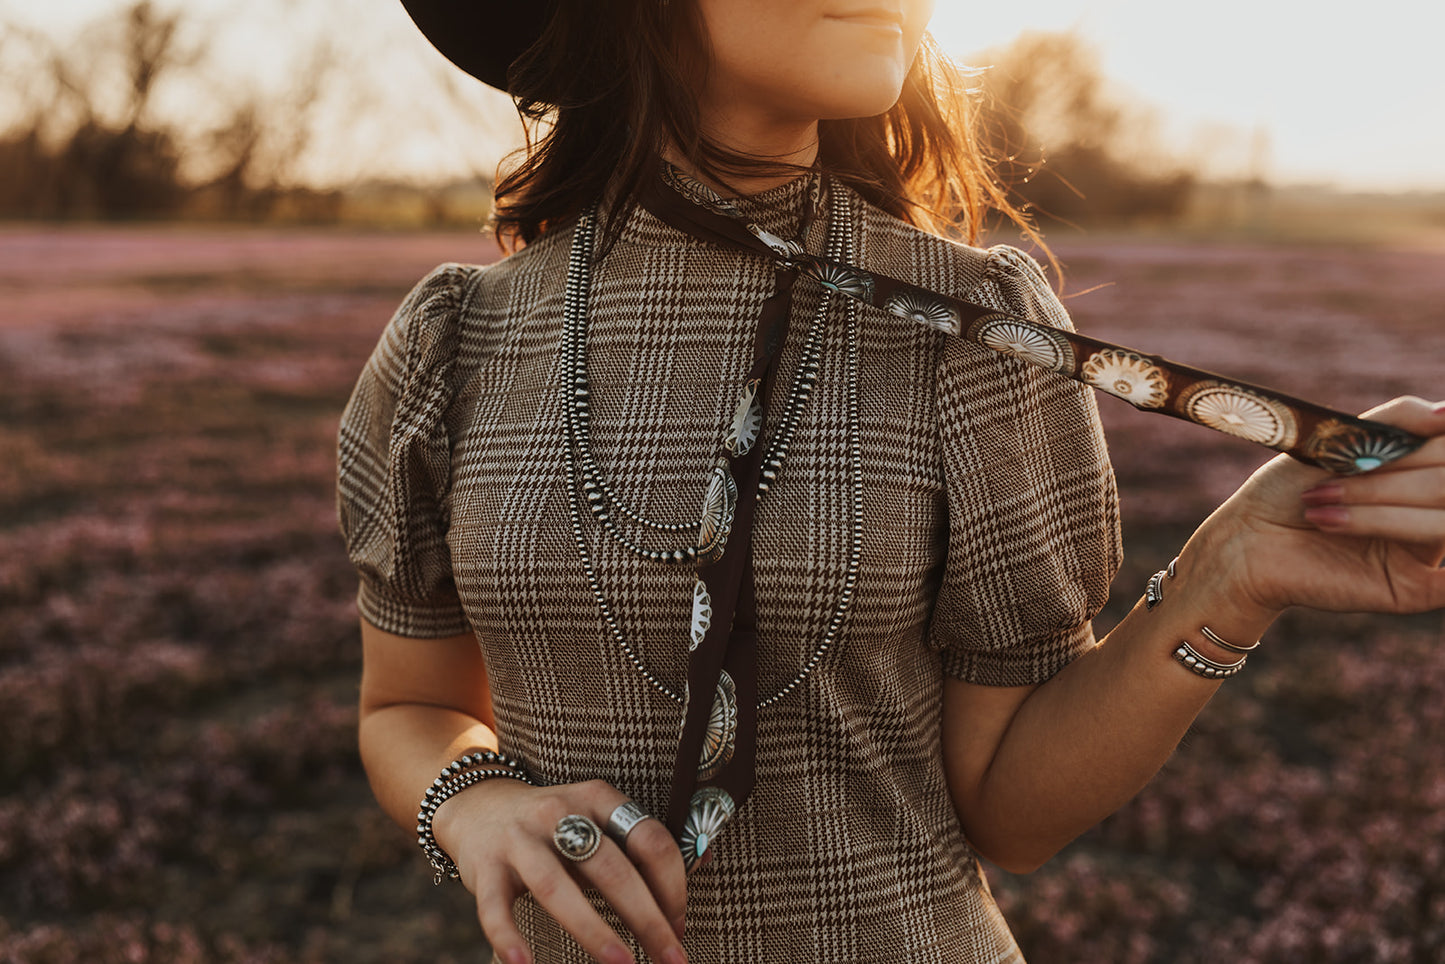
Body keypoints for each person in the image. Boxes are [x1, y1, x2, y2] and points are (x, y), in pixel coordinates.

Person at [337, 1, 1445, 961]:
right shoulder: (456, 340)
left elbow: (1011, 813)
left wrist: (1227, 576)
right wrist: (472, 799)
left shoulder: (971, 328)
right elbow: (410, 705)